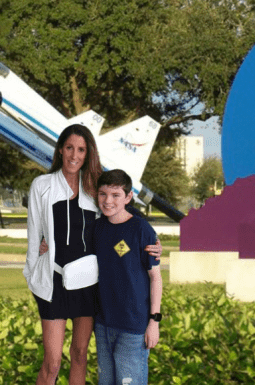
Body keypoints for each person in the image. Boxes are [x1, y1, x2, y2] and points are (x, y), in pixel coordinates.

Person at [23, 124, 161, 385]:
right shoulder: (41, 185)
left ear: (88, 154)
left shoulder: (94, 186)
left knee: (80, 354)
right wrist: (34, 271)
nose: (74, 155)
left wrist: (152, 240)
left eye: (81, 150)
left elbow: (122, 213)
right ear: (61, 150)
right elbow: (33, 236)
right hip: (52, 282)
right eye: (69, 148)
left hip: (87, 284)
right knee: (52, 363)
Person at [93, 169, 163, 385]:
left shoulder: (142, 230)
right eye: (103, 194)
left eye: (115, 195)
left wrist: (154, 321)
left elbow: (156, 278)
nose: (108, 201)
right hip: (103, 324)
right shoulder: (95, 228)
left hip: (134, 327)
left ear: (128, 197)